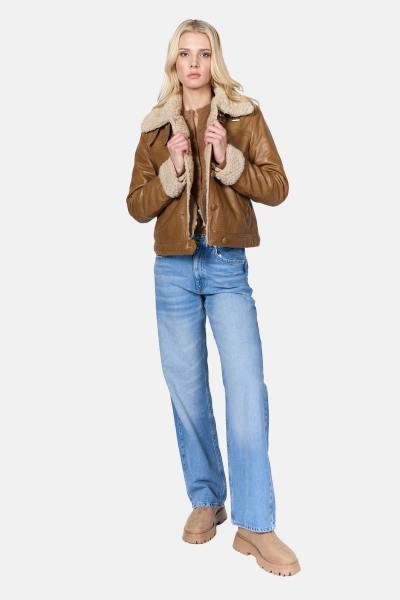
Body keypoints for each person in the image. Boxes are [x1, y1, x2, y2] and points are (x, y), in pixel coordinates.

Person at [125, 19, 301, 577]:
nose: (194, 63)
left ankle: (256, 524)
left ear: (215, 59)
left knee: (246, 388)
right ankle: (206, 498)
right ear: (173, 62)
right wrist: (173, 170)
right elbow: (136, 205)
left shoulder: (244, 116)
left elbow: (277, 186)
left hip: (226, 267)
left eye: (204, 53)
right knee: (186, 392)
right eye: (185, 54)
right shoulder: (156, 128)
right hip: (173, 270)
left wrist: (229, 160)